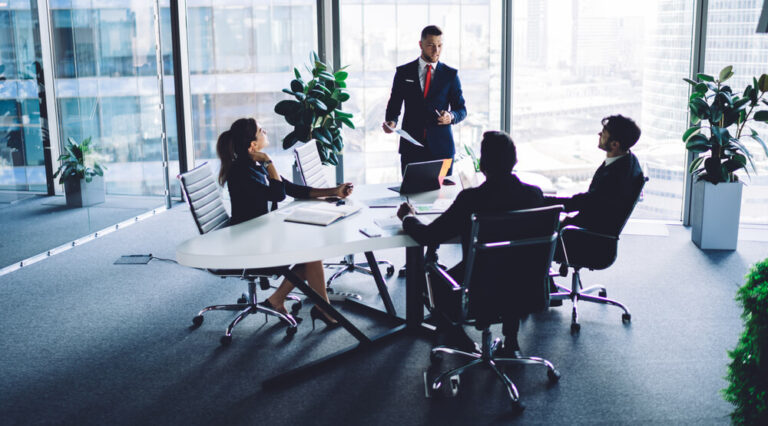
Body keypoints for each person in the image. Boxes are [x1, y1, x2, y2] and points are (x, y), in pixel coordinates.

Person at [396, 131, 543, 356]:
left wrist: (408, 217)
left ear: (483, 165)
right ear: (514, 161)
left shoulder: (471, 199)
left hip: (478, 290)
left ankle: (453, 333)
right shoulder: (534, 195)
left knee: (429, 274)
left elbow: (428, 235)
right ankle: (510, 340)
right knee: (511, 265)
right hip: (526, 287)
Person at [216, 118, 354, 329]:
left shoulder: (254, 164)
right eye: (261, 130)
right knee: (310, 253)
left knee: (310, 253)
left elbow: (292, 189)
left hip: (261, 233)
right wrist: (269, 162)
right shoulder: (242, 172)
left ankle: (281, 301)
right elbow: (278, 194)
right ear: (253, 145)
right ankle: (320, 307)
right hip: (248, 242)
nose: (266, 131)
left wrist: (334, 191)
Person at [383, 25, 467, 175]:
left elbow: (461, 109)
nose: (436, 51)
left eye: (440, 45)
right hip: (411, 148)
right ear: (420, 44)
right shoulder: (403, 72)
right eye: (431, 45)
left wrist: (450, 116)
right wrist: (392, 121)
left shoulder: (451, 75)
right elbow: (394, 103)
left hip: (442, 149)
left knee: (443, 197)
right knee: (411, 194)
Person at [543, 114, 644, 236]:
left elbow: (587, 203)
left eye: (603, 133)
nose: (599, 135)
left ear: (614, 145)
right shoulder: (628, 161)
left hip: (584, 238)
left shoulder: (615, 177)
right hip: (591, 231)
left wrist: (545, 202)